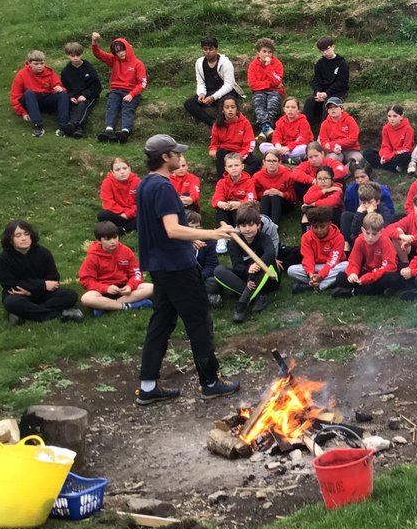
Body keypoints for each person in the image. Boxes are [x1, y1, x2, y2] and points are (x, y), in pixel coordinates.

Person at [136, 134, 240, 404]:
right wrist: (211, 233)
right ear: (164, 158)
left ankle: (148, 387)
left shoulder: (146, 184)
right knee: (199, 321)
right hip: (177, 267)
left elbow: (160, 229)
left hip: (160, 264)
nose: (180, 158)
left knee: (161, 322)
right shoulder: (163, 187)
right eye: (175, 154)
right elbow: (171, 229)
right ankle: (210, 382)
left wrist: (190, 238)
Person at [0, 219, 82, 324]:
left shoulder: (43, 253)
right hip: (19, 294)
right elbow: (9, 283)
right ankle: (60, 315)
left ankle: (23, 314)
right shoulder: (3, 258)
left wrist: (32, 292)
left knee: (70, 295)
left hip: (43, 294)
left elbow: (53, 279)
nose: (23, 238)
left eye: (26, 234)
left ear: (31, 236)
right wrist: (41, 285)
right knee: (11, 303)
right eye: (18, 236)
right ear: (10, 240)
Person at [213, 204, 279, 322]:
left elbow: (270, 255)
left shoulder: (265, 238)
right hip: (247, 277)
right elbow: (237, 266)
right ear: (238, 227)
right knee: (219, 270)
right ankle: (257, 298)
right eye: (243, 225)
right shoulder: (234, 243)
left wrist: (255, 267)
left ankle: (241, 304)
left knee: (267, 264)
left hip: (267, 278)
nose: (247, 229)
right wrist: (248, 270)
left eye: (251, 225)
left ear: (258, 225)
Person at [78, 220, 155, 315]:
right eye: (107, 239)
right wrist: (105, 288)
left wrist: (130, 286)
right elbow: (87, 280)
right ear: (99, 240)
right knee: (86, 298)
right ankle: (127, 306)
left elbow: (136, 272)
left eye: (115, 237)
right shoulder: (92, 257)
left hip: (124, 290)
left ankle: (107, 307)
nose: (112, 242)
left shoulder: (126, 251)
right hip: (102, 291)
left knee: (151, 287)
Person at [90, 33, 147, 143]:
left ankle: (125, 131)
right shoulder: (114, 60)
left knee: (127, 108)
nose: (120, 53)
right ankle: (109, 130)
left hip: (131, 92)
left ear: (128, 49)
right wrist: (94, 43)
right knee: (112, 106)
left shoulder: (138, 64)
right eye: (117, 51)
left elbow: (143, 83)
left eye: (122, 50)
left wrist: (132, 94)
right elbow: (99, 54)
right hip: (115, 91)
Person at [333, 212, 403, 298]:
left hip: (381, 273)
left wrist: (369, 277)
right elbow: (354, 261)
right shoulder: (359, 240)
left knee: (392, 278)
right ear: (362, 230)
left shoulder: (384, 240)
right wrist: (353, 273)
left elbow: (390, 266)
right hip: (367, 271)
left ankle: (354, 291)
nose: (370, 237)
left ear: (381, 232)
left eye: (374, 234)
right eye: (367, 233)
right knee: (341, 277)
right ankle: (375, 290)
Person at [287, 204, 348, 293]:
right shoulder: (306, 237)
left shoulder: (338, 237)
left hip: (333, 267)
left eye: (322, 227)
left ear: (329, 223)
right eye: (315, 227)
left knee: (346, 265)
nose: (319, 230)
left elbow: (333, 261)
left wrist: (321, 275)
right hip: (315, 267)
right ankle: (322, 282)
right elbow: (308, 259)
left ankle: (315, 286)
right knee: (291, 270)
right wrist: (311, 274)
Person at [9, 49, 69, 137]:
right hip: (31, 101)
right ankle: (38, 126)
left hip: (46, 99)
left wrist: (59, 88)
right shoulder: (21, 75)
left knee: (63, 94)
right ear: (29, 63)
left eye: (41, 63)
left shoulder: (50, 73)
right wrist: (23, 112)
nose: (39, 66)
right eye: (36, 64)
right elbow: (15, 97)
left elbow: (58, 85)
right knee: (29, 93)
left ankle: (62, 126)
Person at [184, 37, 242, 127]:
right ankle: (212, 124)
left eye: (211, 49)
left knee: (223, 106)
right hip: (209, 91)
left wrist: (214, 97)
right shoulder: (199, 63)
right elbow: (200, 82)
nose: (208, 52)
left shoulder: (225, 63)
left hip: (226, 92)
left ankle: (225, 128)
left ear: (216, 49)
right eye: (205, 49)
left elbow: (229, 84)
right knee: (189, 104)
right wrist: (201, 94)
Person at [212, 153, 258, 250]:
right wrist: (220, 203)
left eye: (236, 165)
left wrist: (240, 204)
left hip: (242, 214)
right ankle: (222, 236)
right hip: (226, 213)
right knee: (221, 209)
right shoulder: (221, 182)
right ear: (226, 168)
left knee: (239, 205)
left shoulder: (249, 181)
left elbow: (251, 198)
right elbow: (216, 198)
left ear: (242, 166)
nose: (234, 168)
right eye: (230, 166)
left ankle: (239, 232)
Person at [305, 36, 349, 134]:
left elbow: (341, 83)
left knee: (328, 105)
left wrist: (326, 93)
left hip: (336, 92)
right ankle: (305, 131)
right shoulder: (320, 63)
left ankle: (324, 133)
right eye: (322, 51)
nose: (325, 52)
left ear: (333, 47)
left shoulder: (342, 63)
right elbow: (316, 81)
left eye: (327, 49)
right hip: (322, 92)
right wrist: (318, 92)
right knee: (309, 101)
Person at [209, 95, 259, 178]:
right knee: (220, 152)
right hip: (225, 152)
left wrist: (240, 156)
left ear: (237, 109)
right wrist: (213, 149)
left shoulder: (245, 123)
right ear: (222, 110)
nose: (230, 110)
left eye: (233, 107)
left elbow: (249, 144)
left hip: (240, 152)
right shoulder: (218, 124)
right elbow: (214, 142)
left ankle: (241, 178)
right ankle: (221, 181)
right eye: (227, 107)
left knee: (257, 161)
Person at [59, 42, 102, 138]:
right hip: (74, 95)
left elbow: (97, 86)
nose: (76, 58)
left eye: (78, 55)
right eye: (72, 56)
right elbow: (65, 88)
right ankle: (78, 129)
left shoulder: (89, 68)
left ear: (81, 54)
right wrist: (71, 97)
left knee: (83, 105)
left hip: (89, 95)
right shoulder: (66, 71)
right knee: (71, 105)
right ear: (67, 56)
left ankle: (72, 125)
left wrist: (85, 95)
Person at [246, 37, 285, 139]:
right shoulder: (253, 66)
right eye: (264, 51)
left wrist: (268, 67)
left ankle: (264, 131)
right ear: (258, 53)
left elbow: (277, 81)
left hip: (275, 92)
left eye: (269, 52)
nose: (267, 54)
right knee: (259, 104)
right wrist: (269, 84)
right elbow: (253, 85)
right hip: (259, 92)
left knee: (272, 105)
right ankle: (267, 129)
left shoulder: (277, 64)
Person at [367, 103, 414, 174]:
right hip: (390, 154)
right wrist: (385, 156)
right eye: (389, 116)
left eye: (395, 116)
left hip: (400, 154)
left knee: (406, 156)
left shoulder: (408, 129)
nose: (391, 119)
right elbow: (385, 146)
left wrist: (389, 157)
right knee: (367, 153)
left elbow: (407, 148)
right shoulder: (386, 128)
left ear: (401, 116)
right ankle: (394, 167)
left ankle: (384, 166)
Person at [252, 149, 296, 224]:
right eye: (269, 161)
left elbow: (294, 197)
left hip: (283, 204)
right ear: (264, 162)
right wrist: (263, 193)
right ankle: (264, 224)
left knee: (275, 196)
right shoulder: (257, 176)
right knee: (267, 196)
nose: (271, 163)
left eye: (274, 161)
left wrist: (280, 193)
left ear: (279, 162)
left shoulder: (287, 175)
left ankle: (274, 227)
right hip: (265, 203)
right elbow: (253, 194)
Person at [98, 157, 140, 234]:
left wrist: (129, 214)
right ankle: (131, 227)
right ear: (112, 172)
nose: (122, 172)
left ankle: (123, 229)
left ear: (129, 169)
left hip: (134, 214)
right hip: (118, 214)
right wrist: (123, 213)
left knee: (146, 215)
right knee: (102, 215)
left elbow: (141, 203)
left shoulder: (137, 182)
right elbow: (107, 202)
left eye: (124, 168)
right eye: (117, 170)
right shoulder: (107, 182)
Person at [265, 96, 314, 160]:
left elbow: (304, 138)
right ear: (284, 109)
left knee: (304, 148)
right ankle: (288, 158)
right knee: (263, 146)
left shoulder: (303, 121)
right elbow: (276, 136)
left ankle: (281, 157)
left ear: (298, 109)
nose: (290, 109)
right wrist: (278, 147)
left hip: (296, 147)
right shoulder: (281, 121)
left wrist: (288, 148)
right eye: (287, 107)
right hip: (283, 148)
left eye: (293, 107)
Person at [318, 97, 362, 167]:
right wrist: (333, 148)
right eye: (330, 107)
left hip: (351, 150)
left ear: (341, 109)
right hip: (334, 152)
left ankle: (343, 173)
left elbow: (353, 139)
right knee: (330, 160)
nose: (332, 109)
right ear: (327, 111)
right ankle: (336, 174)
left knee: (358, 159)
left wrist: (333, 144)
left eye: (335, 106)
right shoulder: (324, 124)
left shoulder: (350, 120)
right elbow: (324, 144)